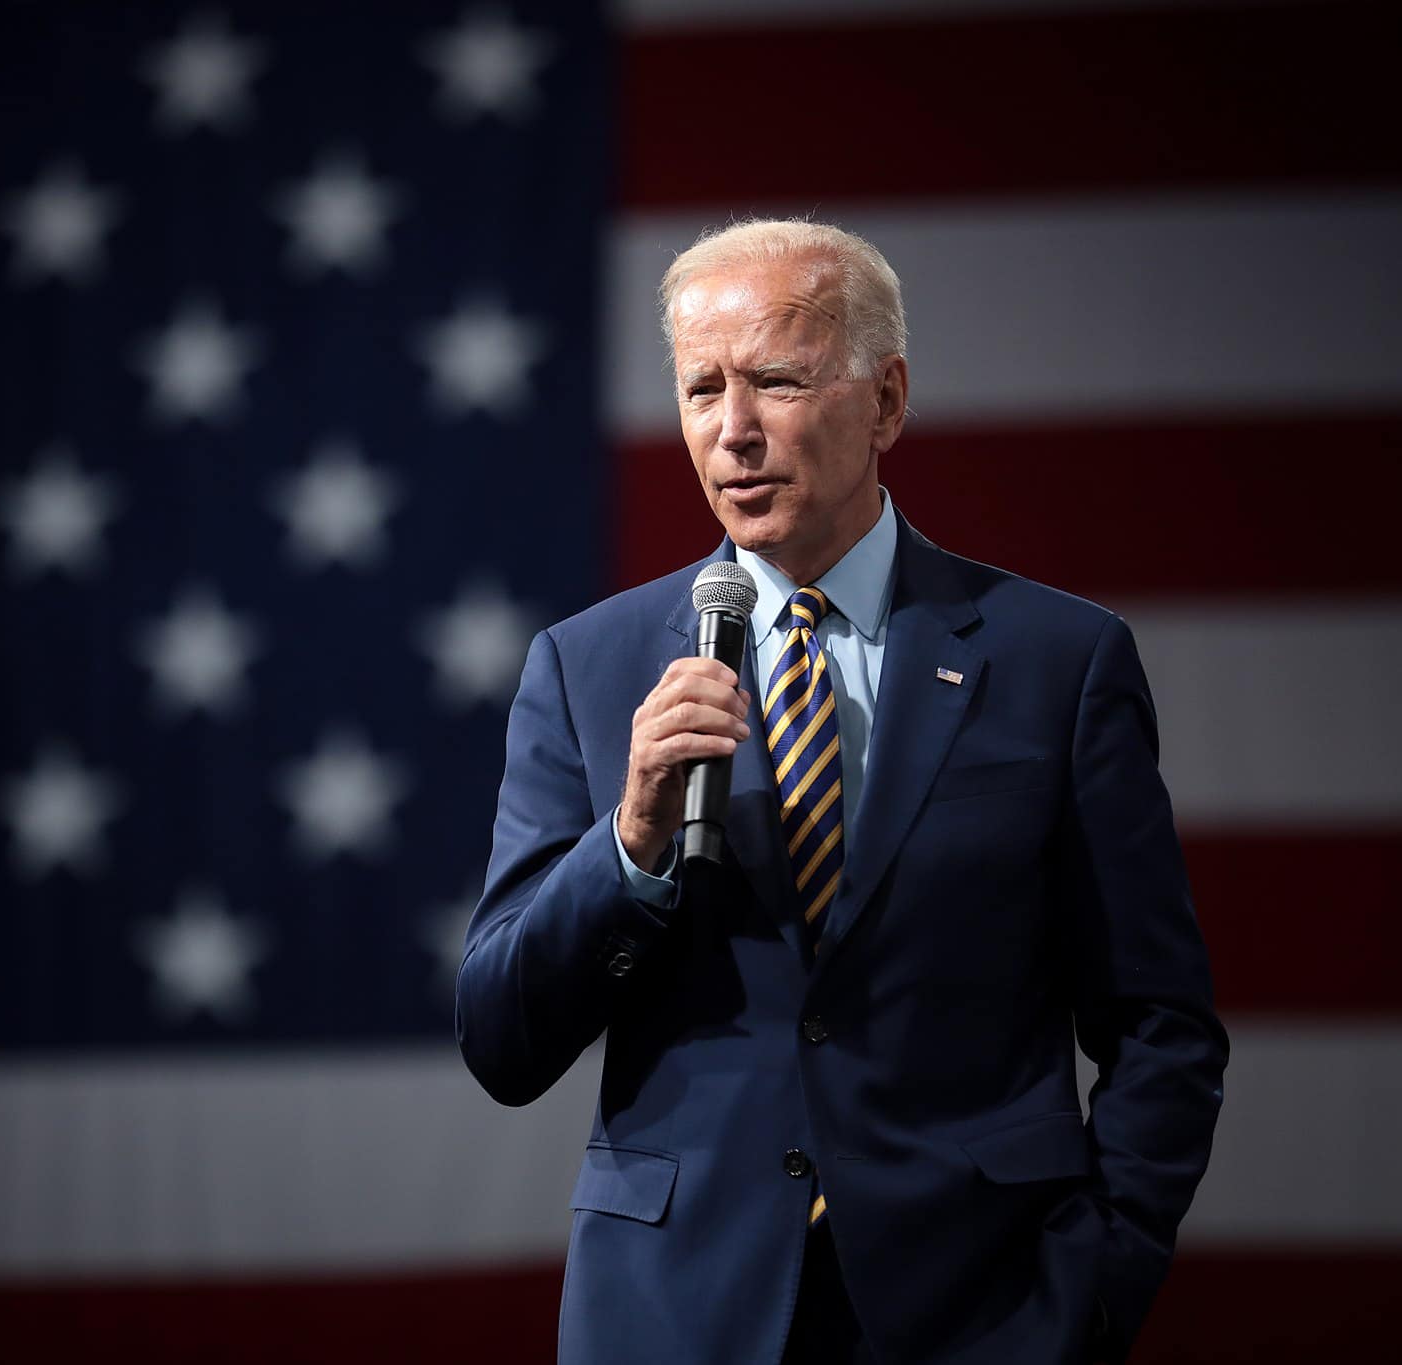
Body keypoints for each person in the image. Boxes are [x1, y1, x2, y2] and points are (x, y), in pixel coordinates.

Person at [456, 219, 1227, 1364]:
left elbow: (1160, 1025)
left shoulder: (1056, 662)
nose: (732, 433)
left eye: (775, 380)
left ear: (885, 400)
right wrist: (629, 842)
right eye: (700, 388)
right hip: (676, 1315)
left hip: (983, 1312)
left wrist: (1093, 1287)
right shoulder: (587, 664)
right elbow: (502, 1039)